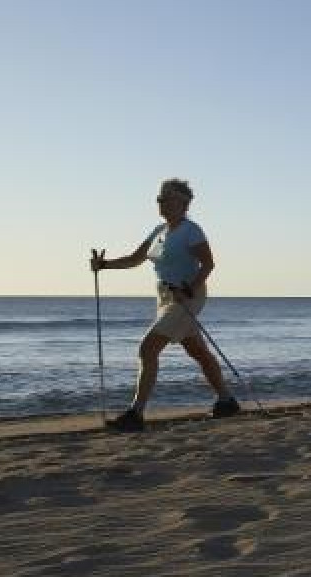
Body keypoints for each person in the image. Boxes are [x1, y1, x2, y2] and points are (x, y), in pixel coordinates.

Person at [90, 178, 239, 432]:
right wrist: (105, 265)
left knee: (148, 349)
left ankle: (136, 414)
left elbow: (208, 264)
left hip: (187, 296)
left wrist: (188, 288)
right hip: (165, 298)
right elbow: (136, 259)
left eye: (167, 198)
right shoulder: (158, 231)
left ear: (183, 203)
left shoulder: (192, 230)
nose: (161, 203)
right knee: (197, 351)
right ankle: (227, 401)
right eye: (159, 199)